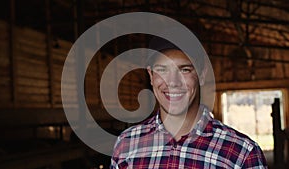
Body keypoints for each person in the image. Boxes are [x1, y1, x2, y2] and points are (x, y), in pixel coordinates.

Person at [110, 35, 267, 168]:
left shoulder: (242, 153)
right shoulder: (126, 145)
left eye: (184, 70)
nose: (172, 82)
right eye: (162, 70)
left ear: (202, 74)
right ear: (151, 76)